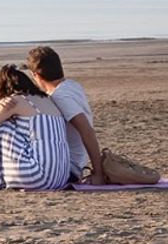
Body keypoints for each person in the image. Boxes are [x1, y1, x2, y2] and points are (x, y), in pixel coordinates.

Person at [26, 46, 107, 184]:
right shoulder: (71, 85)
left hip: (68, 167)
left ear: (36, 75)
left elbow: (86, 130)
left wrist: (98, 173)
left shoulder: (60, 96)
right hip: (69, 163)